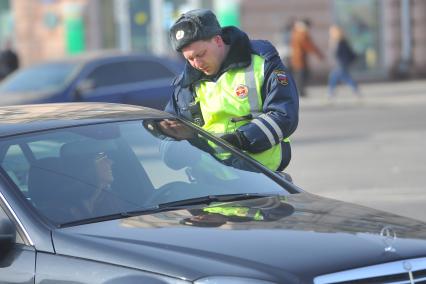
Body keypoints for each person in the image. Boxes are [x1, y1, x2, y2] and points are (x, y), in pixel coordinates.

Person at [165, 9, 299, 172]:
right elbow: (167, 137)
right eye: (190, 59)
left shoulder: (262, 62)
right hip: (210, 185)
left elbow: (284, 115)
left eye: (201, 54)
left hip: (262, 178)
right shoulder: (185, 86)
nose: (197, 64)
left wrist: (240, 139)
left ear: (218, 40)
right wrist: (181, 149)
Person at [290, 19, 324, 98]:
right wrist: (319, 55)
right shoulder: (302, 34)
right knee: (301, 75)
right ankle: (300, 91)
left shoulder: (297, 32)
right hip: (299, 58)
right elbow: (309, 45)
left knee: (301, 75)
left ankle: (300, 91)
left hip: (298, 58)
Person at [327, 25, 361, 99]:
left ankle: (331, 92)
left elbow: (341, 54)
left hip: (341, 63)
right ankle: (355, 90)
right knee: (340, 77)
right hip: (340, 63)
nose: (330, 33)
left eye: (331, 32)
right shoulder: (337, 41)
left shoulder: (341, 42)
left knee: (338, 77)